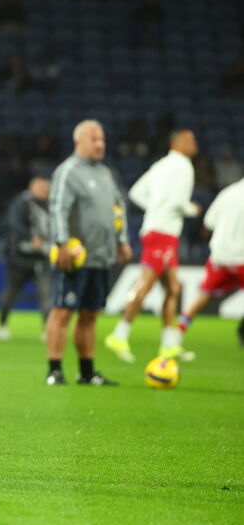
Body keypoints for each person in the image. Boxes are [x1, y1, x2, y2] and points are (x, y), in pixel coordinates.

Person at [45, 120, 132, 386]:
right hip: (74, 257)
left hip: (100, 256)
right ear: (78, 142)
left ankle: (87, 372)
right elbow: (57, 208)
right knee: (63, 312)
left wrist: (122, 240)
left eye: (102, 139)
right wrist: (61, 243)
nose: (100, 144)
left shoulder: (105, 173)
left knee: (90, 315)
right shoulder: (68, 171)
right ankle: (54, 370)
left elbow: (117, 210)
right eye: (93, 139)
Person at [105, 129, 200, 362]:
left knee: (173, 288)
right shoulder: (184, 166)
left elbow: (136, 192)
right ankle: (118, 335)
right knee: (146, 284)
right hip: (163, 232)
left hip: (157, 230)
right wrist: (192, 209)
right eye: (189, 140)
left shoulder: (160, 165)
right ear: (176, 143)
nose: (194, 144)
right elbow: (178, 202)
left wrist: (155, 208)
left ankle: (169, 345)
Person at [177, 178, 244, 346]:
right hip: (241, 257)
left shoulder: (227, 193)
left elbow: (209, 222)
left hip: (220, 256)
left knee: (203, 296)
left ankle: (176, 336)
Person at [0, 175, 52, 341]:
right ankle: (1, 325)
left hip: (41, 257)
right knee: (11, 293)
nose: (44, 191)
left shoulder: (51, 205)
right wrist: (30, 237)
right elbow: (14, 224)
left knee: (46, 295)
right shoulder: (21, 203)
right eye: (41, 187)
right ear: (31, 186)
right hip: (19, 258)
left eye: (46, 188)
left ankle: (48, 330)